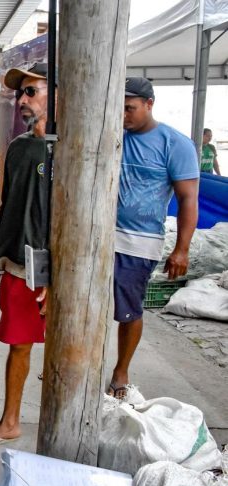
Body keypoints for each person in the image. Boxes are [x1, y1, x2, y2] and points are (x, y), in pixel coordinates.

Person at [0, 62, 51, 451]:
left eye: (31, 91)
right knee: (19, 344)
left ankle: (69, 423)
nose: (22, 99)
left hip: (59, 271)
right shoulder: (18, 149)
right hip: (19, 265)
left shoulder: (72, 148)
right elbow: (10, 207)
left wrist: (60, 276)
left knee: (69, 348)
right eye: (20, 93)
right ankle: (11, 421)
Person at [108, 77, 199, 399]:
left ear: (149, 105)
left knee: (128, 310)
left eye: (130, 109)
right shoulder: (113, 134)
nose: (123, 115)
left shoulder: (175, 144)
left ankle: (121, 372)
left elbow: (188, 198)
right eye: (118, 109)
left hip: (139, 242)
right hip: (99, 237)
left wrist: (181, 250)